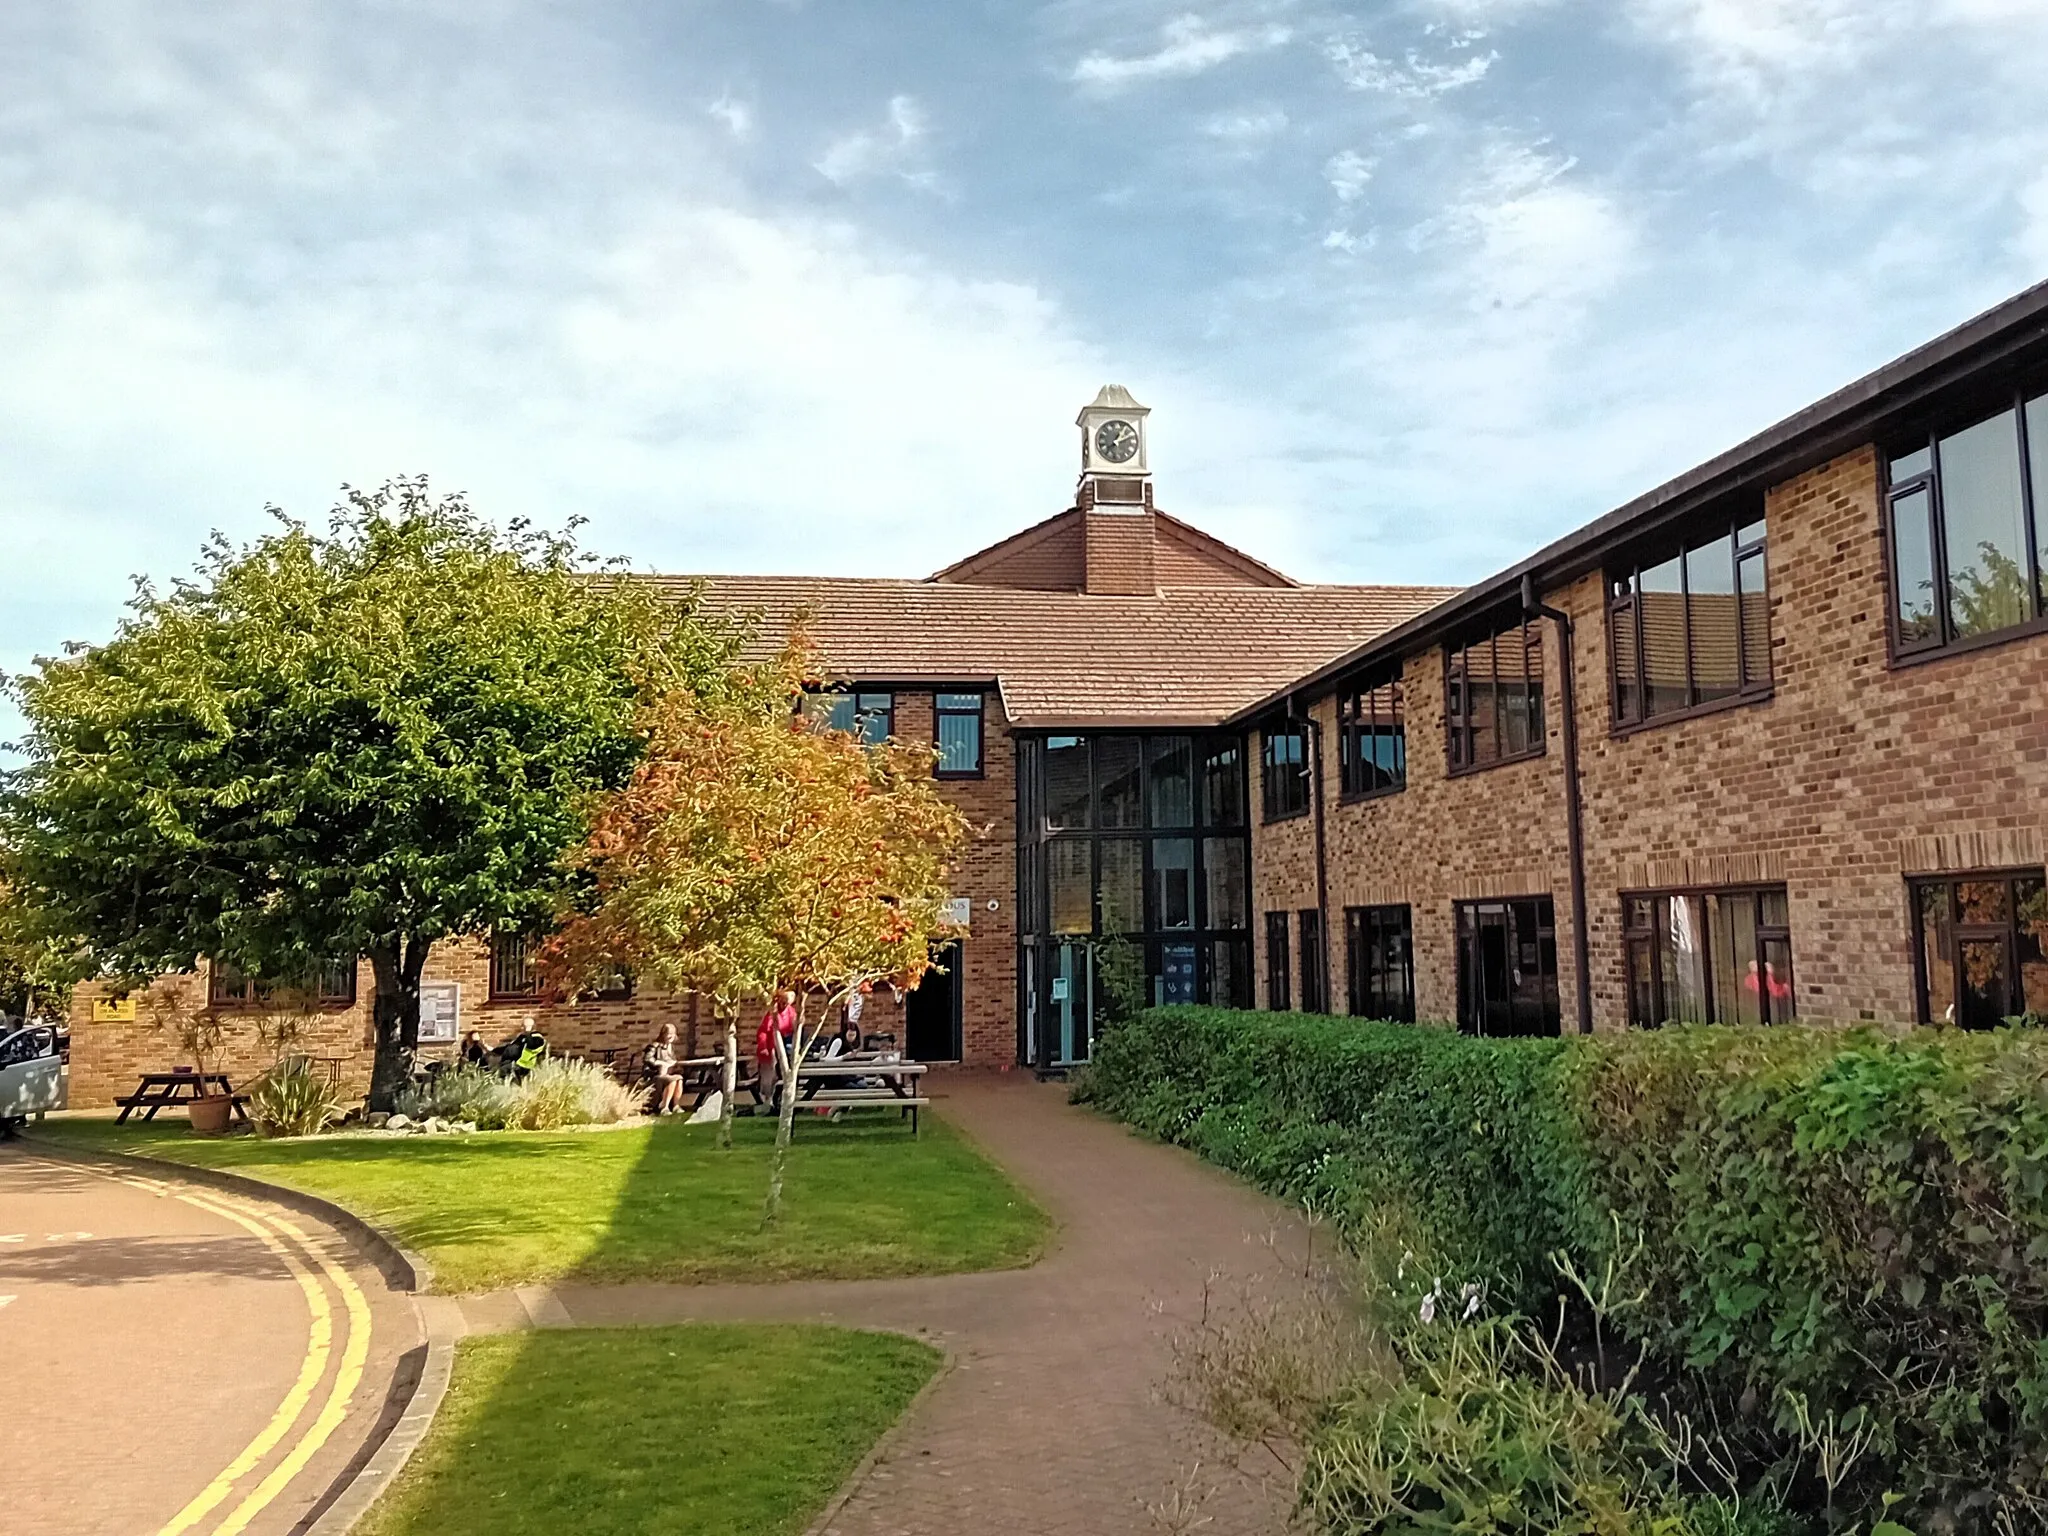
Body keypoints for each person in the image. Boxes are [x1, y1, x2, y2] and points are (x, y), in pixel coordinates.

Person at [754, 990, 799, 1110]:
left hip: (784, 1048)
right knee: (769, 1075)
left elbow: (794, 1029)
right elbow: (763, 1031)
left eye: (787, 1003)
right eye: (783, 1002)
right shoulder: (772, 1013)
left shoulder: (791, 1012)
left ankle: (780, 1099)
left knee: (783, 1074)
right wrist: (763, 1047)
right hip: (770, 1047)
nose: (784, 1005)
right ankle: (767, 1101)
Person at [645, 1023, 686, 1114]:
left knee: (679, 1078)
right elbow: (648, 1059)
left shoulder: (671, 1047)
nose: (671, 1036)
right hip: (656, 1074)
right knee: (673, 1079)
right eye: (669, 1033)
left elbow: (672, 1060)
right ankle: (665, 1106)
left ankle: (676, 1105)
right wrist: (662, 1064)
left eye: (673, 1033)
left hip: (669, 1073)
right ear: (663, 1034)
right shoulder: (655, 1046)